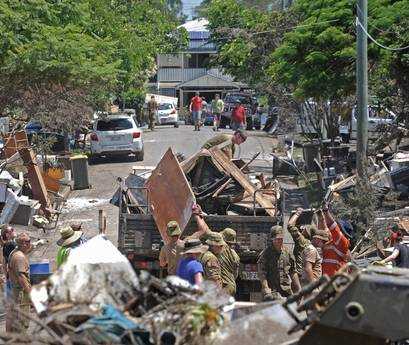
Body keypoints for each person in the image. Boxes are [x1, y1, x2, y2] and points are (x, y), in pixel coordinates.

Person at [258, 226, 301, 301]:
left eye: (281, 238)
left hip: (286, 290)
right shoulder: (266, 254)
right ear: (272, 239)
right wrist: (265, 287)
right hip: (271, 291)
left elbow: (293, 271)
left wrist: (298, 288)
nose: (280, 241)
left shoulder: (288, 253)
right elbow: (262, 273)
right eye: (277, 239)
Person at [288, 210, 322, 285]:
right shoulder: (308, 243)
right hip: (305, 278)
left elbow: (290, 225)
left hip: (303, 279)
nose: (302, 229)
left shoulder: (302, 241)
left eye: (304, 229)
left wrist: (297, 213)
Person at [8, 233, 32, 333]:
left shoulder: (14, 252)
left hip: (16, 291)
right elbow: (22, 278)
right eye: (29, 241)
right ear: (23, 244)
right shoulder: (20, 257)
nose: (30, 244)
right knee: (23, 322)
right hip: (21, 293)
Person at [320, 207, 351, 276]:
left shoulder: (343, 242)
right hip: (328, 281)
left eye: (338, 226)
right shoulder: (333, 242)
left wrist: (326, 211)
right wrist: (321, 215)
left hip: (334, 282)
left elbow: (333, 227)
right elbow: (324, 229)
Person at [219, 228, 240, 295]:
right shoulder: (235, 254)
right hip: (231, 285)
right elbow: (235, 274)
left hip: (223, 285)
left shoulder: (222, 250)